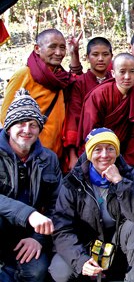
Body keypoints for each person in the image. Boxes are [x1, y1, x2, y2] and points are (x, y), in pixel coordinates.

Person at [49, 128, 134, 282]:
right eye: (98, 150)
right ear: (90, 154)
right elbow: (62, 228)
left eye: (110, 149)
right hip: (84, 245)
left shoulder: (128, 174)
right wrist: (81, 261)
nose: (104, 155)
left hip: (118, 244)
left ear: (116, 152)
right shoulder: (73, 181)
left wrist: (119, 182)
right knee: (60, 271)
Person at [0, 89, 61, 282]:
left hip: (29, 234)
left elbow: (57, 204)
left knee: (37, 271)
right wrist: (29, 214)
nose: (27, 130)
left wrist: (38, 238)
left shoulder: (49, 158)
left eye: (33, 125)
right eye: (20, 123)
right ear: (9, 127)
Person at [1, 28, 81, 158]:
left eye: (62, 48)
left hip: (53, 155)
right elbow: (6, 116)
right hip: (28, 153)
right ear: (37, 49)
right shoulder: (25, 75)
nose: (58, 52)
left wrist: (74, 54)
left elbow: (79, 85)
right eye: (52, 47)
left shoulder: (61, 78)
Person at [77, 53, 134, 184]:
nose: (127, 77)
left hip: (125, 156)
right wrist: (104, 157)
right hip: (99, 153)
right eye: (122, 72)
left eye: (132, 72)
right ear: (113, 73)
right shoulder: (99, 95)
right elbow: (90, 131)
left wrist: (126, 164)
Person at [64, 37, 113, 170]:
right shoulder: (80, 83)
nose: (101, 59)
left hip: (113, 146)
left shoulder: (116, 82)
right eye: (95, 55)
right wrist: (72, 155)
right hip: (86, 146)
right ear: (87, 57)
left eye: (105, 54)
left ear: (111, 56)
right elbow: (73, 118)